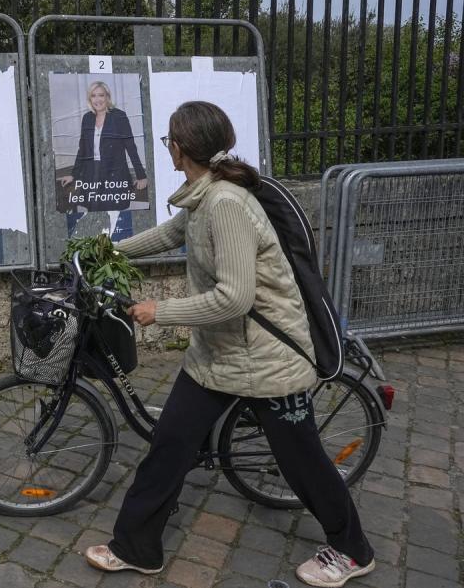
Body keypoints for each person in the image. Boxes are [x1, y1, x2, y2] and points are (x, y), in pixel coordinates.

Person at [84, 101, 375, 588]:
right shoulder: (205, 196)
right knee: (169, 446)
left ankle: (352, 549)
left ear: (181, 148)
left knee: (303, 463)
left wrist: (162, 312)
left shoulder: (226, 205)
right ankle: (137, 547)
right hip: (218, 356)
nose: (168, 149)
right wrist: (106, 251)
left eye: (169, 142)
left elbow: (235, 298)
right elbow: (171, 233)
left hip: (267, 360)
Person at [58, 82, 148, 235]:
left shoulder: (119, 116)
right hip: (92, 174)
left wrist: (141, 176)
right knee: (94, 219)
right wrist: (74, 174)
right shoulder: (87, 118)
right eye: (93, 95)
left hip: (114, 173)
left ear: (107, 97)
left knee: (114, 219)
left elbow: (131, 147)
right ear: (90, 99)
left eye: (101, 95)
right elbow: (83, 150)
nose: (97, 99)